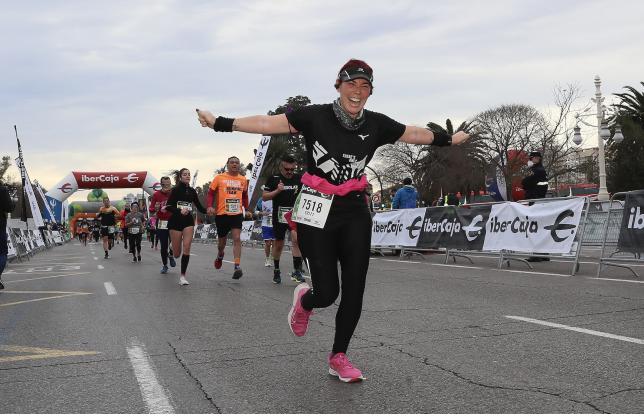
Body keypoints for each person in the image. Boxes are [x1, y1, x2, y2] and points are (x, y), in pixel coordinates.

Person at [197, 58, 469, 382]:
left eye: (365, 86)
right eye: (351, 83)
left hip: (354, 207)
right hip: (317, 205)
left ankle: (339, 356)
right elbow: (268, 124)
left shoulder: (377, 124)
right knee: (327, 292)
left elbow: (412, 133)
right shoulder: (316, 116)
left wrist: (448, 140)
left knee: (354, 289)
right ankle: (305, 301)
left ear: (370, 92)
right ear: (338, 85)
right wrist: (221, 123)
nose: (357, 91)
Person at [262, 156, 305, 284]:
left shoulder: (299, 178)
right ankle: (276, 269)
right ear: (281, 167)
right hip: (279, 216)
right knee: (279, 244)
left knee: (296, 241)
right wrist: (277, 191)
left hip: (294, 214)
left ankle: (296, 271)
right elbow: (264, 197)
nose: (290, 172)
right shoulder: (274, 178)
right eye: (287, 169)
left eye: (292, 169)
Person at [207, 156, 251, 280]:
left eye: (237, 162)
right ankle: (220, 255)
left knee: (237, 238)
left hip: (236, 214)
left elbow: (245, 196)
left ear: (239, 165)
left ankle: (237, 265)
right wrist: (210, 206)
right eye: (232, 162)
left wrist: (246, 209)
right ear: (227, 164)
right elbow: (210, 193)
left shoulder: (243, 179)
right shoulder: (219, 178)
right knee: (222, 243)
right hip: (222, 214)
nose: (234, 164)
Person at [166, 168, 206, 285]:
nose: (188, 176)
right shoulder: (175, 190)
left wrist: (209, 210)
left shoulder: (193, 191)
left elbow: (199, 207)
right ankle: (172, 247)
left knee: (187, 246)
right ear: (180, 177)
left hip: (188, 222)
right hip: (175, 222)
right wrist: (179, 210)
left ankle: (183, 276)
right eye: (185, 174)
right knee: (177, 254)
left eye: (189, 174)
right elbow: (168, 206)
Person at [522, 151, 550, 262]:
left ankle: (536, 253)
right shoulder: (540, 170)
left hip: (534, 199)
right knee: (541, 227)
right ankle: (544, 252)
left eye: (533, 158)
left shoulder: (536, 170)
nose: (533, 159)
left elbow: (524, 182)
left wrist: (528, 173)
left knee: (535, 227)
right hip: (539, 199)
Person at [149, 176, 177, 274]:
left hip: (173, 220)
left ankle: (171, 254)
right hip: (161, 222)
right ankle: (165, 265)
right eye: (165, 184)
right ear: (161, 185)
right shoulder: (156, 195)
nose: (167, 186)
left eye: (169, 183)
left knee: (174, 242)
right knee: (164, 245)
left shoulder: (174, 193)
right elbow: (151, 209)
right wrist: (155, 209)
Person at [256, 197, 274, 268]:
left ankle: (272, 257)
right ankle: (267, 259)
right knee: (268, 243)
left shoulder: (277, 198)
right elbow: (256, 211)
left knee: (275, 243)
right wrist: (262, 213)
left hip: (275, 224)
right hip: (265, 223)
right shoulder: (261, 199)